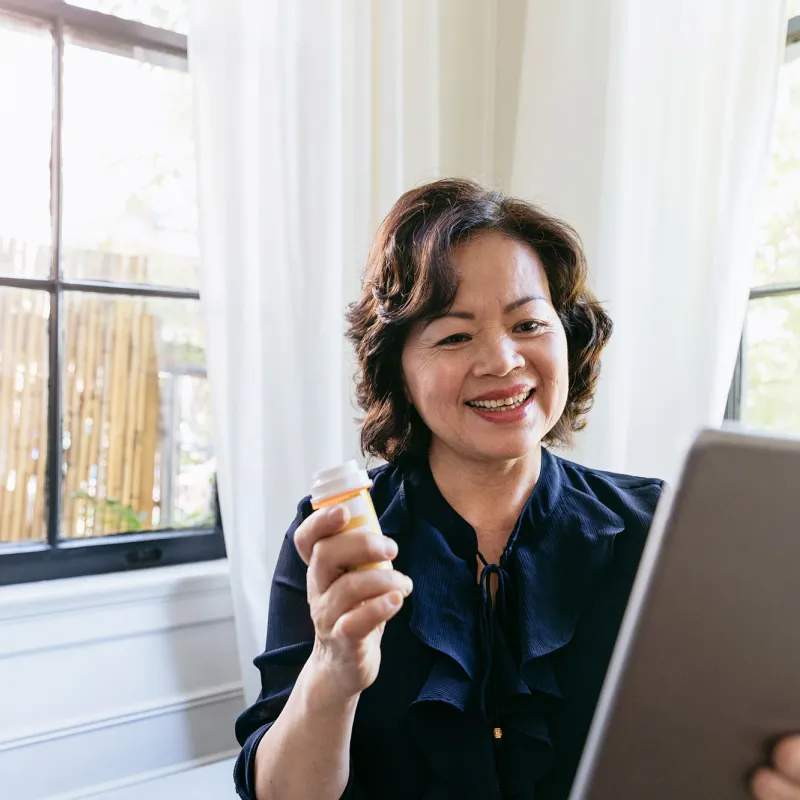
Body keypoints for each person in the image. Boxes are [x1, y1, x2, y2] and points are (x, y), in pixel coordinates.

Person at [233, 179, 800, 800]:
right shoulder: (337, 539)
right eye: (454, 335)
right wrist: (334, 670)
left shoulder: (662, 527)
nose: (502, 361)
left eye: (528, 322)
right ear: (398, 365)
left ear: (570, 337)